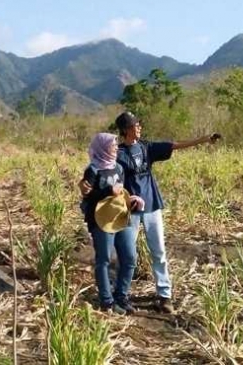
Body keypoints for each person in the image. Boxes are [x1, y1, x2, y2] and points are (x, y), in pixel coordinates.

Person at [80, 112, 220, 313]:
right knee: (124, 254)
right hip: (128, 210)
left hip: (151, 204)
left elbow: (175, 145)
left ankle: (164, 295)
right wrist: (83, 186)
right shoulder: (116, 153)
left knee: (158, 251)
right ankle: (114, 296)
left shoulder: (146, 147)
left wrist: (204, 139)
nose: (138, 127)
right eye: (134, 125)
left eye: (138, 124)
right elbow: (97, 171)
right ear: (125, 130)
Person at [81, 132, 144, 314]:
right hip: (100, 220)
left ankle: (121, 296)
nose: (116, 148)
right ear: (103, 148)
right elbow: (88, 195)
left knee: (130, 258)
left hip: (120, 216)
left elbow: (121, 193)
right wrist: (108, 190)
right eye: (113, 145)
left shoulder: (118, 168)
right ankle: (107, 302)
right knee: (104, 260)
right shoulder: (92, 170)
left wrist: (132, 200)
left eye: (116, 145)